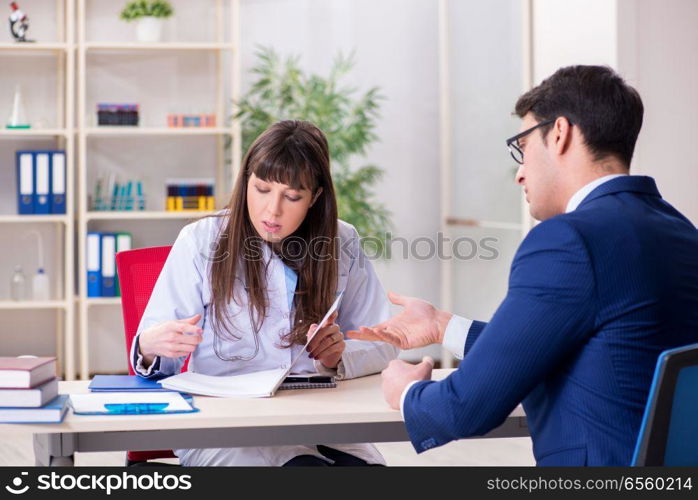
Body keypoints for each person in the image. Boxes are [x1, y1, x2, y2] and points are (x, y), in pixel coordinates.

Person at [348, 65, 698, 466]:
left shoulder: (570, 240)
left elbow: (467, 407)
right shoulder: (680, 231)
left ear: (561, 134)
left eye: (523, 147)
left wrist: (406, 393)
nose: (520, 173)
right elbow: (566, 349)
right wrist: (444, 327)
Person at [130, 120, 398, 466]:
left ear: (315, 198)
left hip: (319, 418)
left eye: (292, 196)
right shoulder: (201, 241)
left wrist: (338, 356)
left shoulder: (341, 241)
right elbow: (158, 361)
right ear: (245, 183)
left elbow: (383, 340)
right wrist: (152, 346)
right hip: (227, 424)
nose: (273, 210)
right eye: (261, 189)